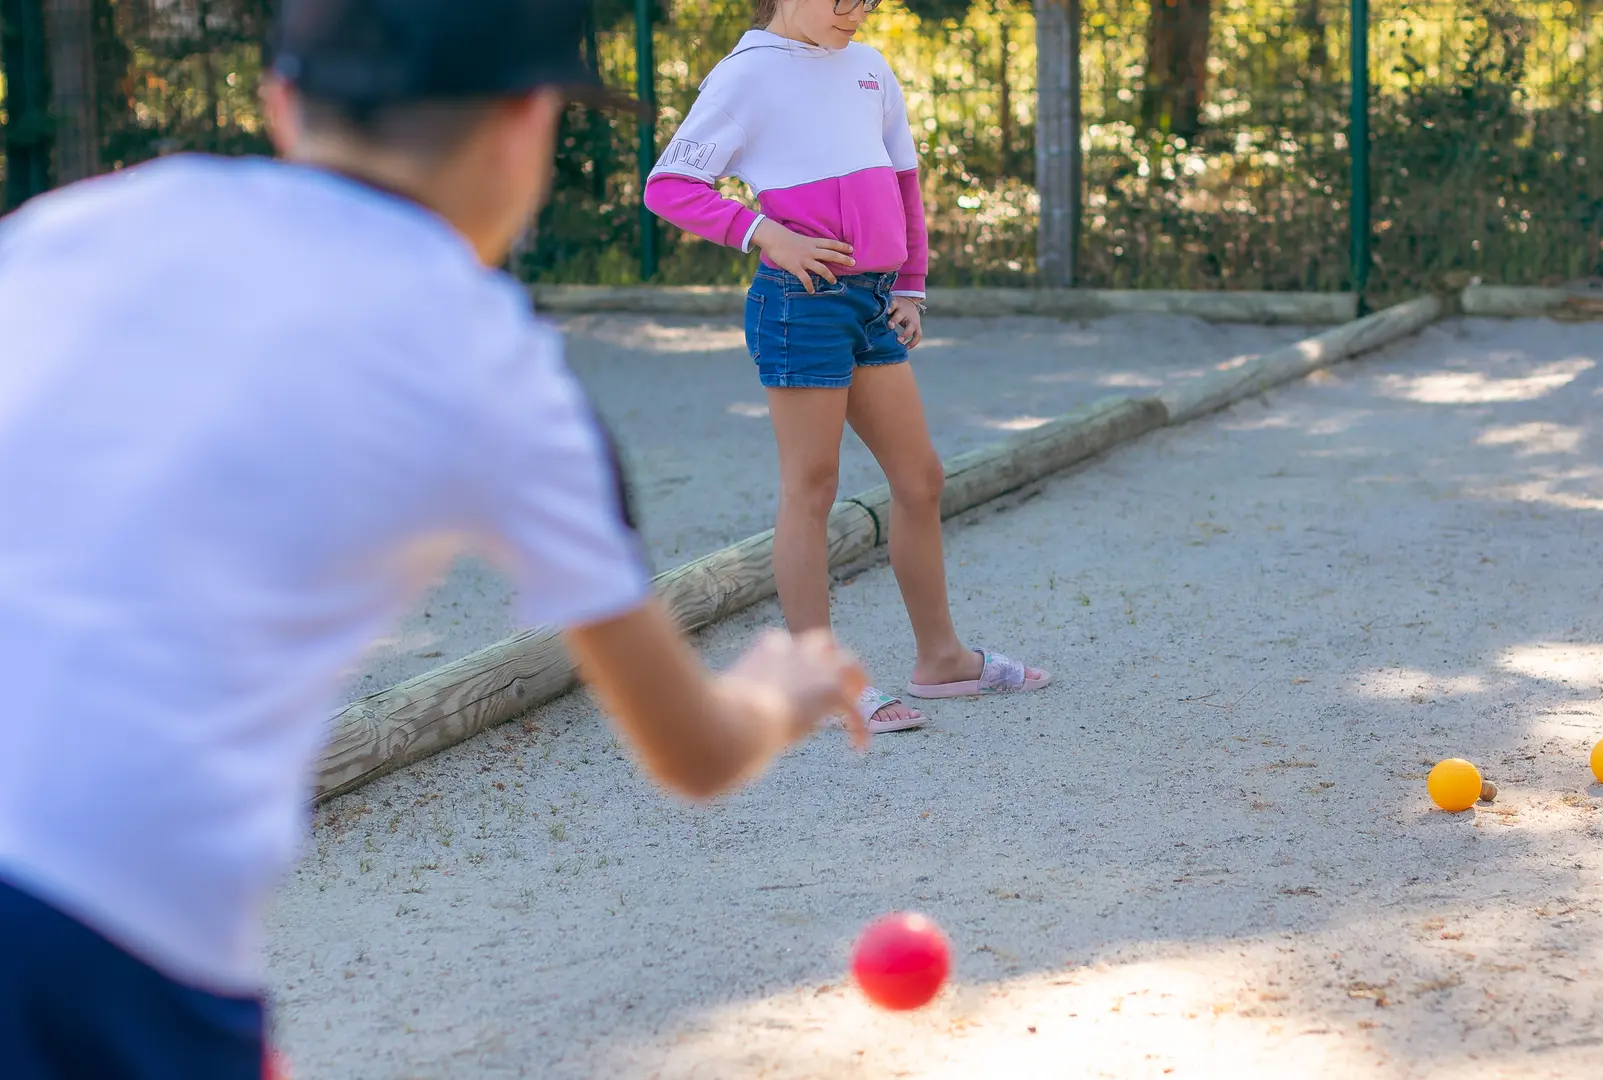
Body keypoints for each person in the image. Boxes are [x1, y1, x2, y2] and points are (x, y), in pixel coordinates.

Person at [0, 0, 871, 1075]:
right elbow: (691, 749)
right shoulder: (492, 364)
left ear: (281, 102)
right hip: (94, 935)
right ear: (526, 126)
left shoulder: (79, 223)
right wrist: (778, 691)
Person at [643, 0, 1055, 735]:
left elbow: (904, 185)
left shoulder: (869, 68)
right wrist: (765, 233)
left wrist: (910, 287)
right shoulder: (746, 75)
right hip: (801, 304)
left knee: (920, 478)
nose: (856, 8)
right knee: (812, 486)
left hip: (872, 305)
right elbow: (668, 187)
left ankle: (943, 660)